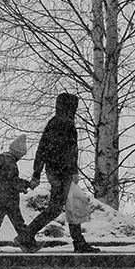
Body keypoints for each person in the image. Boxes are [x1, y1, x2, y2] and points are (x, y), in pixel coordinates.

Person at [26, 92, 101, 253]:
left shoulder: (53, 122)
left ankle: (28, 235)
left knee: (62, 206)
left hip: (55, 171)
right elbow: (69, 152)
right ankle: (77, 243)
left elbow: (42, 149)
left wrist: (37, 172)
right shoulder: (66, 124)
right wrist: (72, 171)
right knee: (68, 205)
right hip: (62, 172)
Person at [0, 135, 35, 253]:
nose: (22, 156)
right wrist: (27, 185)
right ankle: (27, 244)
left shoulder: (5, 162)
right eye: (22, 154)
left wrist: (22, 186)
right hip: (9, 197)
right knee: (18, 222)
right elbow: (13, 181)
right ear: (18, 152)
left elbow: (8, 180)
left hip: (1, 195)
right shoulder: (11, 164)